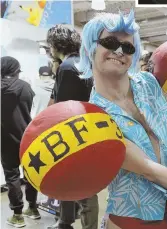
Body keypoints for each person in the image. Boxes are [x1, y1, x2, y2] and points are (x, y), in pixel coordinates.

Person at [78, 11, 167, 229]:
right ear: (91, 47)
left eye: (128, 47)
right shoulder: (93, 116)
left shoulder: (148, 82)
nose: (119, 51)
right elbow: (147, 168)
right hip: (137, 215)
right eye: (109, 42)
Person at [46, 24, 98, 229]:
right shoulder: (79, 63)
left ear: (56, 44)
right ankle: (65, 221)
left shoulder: (67, 68)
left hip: (73, 134)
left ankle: (79, 224)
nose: (49, 49)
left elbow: (62, 107)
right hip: (86, 131)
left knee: (83, 188)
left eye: (50, 44)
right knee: (70, 182)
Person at [1, 56, 40, 228]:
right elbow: (30, 106)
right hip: (27, 136)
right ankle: (32, 208)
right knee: (31, 173)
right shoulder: (25, 87)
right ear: (16, 70)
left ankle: (17, 215)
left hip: (5, 139)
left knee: (12, 176)